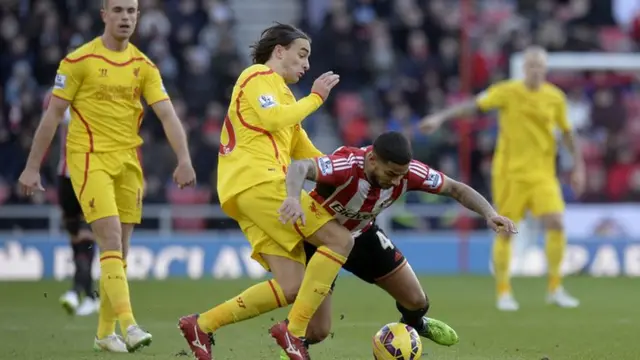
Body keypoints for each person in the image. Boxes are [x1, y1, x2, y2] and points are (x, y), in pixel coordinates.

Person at [18, 0, 196, 352]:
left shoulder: (144, 66)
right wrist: (32, 165)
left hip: (128, 162)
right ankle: (129, 325)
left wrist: (184, 159)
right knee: (111, 237)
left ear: (138, 16)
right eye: (118, 10)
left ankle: (103, 333)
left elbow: (168, 115)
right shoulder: (78, 61)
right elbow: (52, 116)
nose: (125, 17)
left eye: (131, 11)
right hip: (88, 159)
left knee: (120, 250)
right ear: (104, 15)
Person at [178, 23, 353, 360]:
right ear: (279, 51)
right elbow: (273, 119)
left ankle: (202, 325)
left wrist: (352, 170)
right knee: (340, 240)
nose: (305, 64)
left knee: (292, 285)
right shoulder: (256, 77)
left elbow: (308, 154)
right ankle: (294, 334)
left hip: (249, 194)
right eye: (301, 55)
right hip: (260, 182)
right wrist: (316, 98)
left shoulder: (286, 98)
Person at [277, 131, 517, 358]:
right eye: (391, 174)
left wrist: (489, 213)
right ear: (372, 160)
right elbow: (300, 166)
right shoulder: (347, 165)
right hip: (321, 241)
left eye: (402, 175)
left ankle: (415, 327)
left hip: (362, 236)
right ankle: (290, 345)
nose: (397, 182)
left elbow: (455, 188)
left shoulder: (408, 173)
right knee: (317, 331)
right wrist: (292, 198)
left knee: (417, 302)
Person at [418, 46, 586, 311]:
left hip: (543, 174)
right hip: (510, 174)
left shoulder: (555, 98)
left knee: (556, 222)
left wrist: (578, 166)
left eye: (540, 66)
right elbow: (473, 105)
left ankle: (555, 287)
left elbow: (567, 133)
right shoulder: (507, 91)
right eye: (531, 65)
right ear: (524, 68)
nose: (535, 70)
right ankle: (504, 291)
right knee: (506, 230)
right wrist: (440, 117)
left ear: (545, 69)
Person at [44, 87, 99, 317]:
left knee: (87, 234)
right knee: (76, 236)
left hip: (92, 173)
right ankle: (89, 295)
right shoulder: (56, 94)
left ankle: (78, 291)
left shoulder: (97, 94)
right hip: (65, 175)